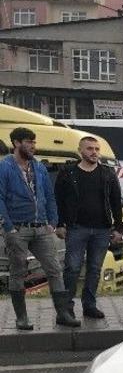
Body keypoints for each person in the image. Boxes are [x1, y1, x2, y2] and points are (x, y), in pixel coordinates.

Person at [0, 127, 78, 329]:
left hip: (41, 227)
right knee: (18, 272)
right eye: (28, 142)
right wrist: (8, 226)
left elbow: (49, 196)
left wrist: (53, 220)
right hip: (18, 227)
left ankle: (63, 314)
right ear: (16, 143)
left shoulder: (39, 167)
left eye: (34, 142)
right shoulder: (4, 167)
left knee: (54, 269)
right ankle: (22, 318)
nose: (33, 146)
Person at [55, 136, 123, 321]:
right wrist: (59, 224)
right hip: (76, 228)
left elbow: (116, 202)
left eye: (96, 149)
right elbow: (58, 200)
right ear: (80, 151)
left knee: (94, 268)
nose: (94, 152)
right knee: (72, 268)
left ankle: (89, 305)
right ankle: (66, 308)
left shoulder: (108, 173)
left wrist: (118, 227)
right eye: (90, 148)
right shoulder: (68, 172)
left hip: (102, 229)